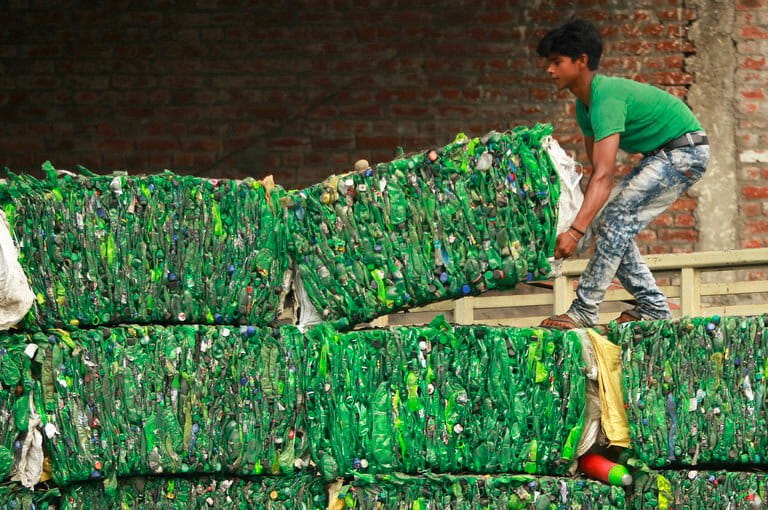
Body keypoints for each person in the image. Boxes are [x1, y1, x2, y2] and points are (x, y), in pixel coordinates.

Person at [536, 19, 710, 329]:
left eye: (556, 62)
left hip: (685, 151)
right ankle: (653, 306)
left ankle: (585, 309)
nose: (549, 70)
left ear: (581, 61)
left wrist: (576, 232)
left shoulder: (606, 97)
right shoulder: (584, 106)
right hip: (663, 155)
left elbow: (604, 176)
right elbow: (596, 174)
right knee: (609, 221)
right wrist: (580, 222)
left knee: (614, 221)